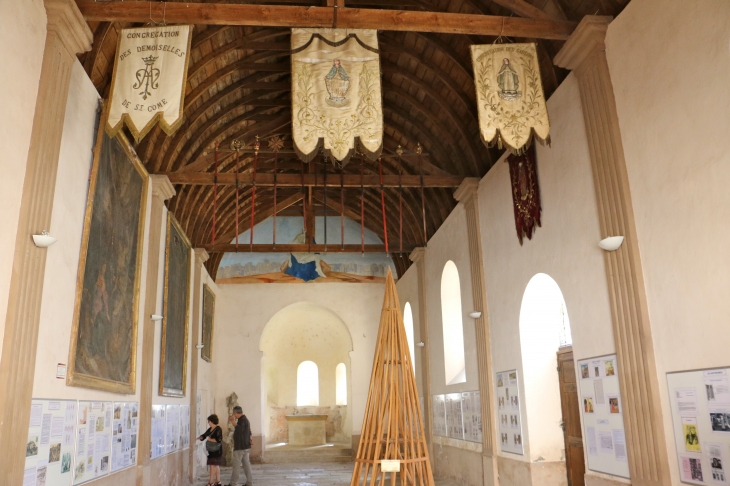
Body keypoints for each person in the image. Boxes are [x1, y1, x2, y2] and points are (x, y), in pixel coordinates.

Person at [226, 406, 253, 486]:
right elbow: (249, 432)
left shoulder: (242, 420)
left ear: (235, 412)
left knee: (236, 466)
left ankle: (233, 483)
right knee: (246, 465)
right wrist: (250, 439)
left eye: (234, 414)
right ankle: (249, 482)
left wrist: (232, 421)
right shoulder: (245, 420)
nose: (234, 415)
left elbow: (239, 430)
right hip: (245, 446)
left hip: (240, 447)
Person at [198, 414, 223, 486]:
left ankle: (211, 482)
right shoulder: (210, 428)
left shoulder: (218, 429)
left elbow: (219, 440)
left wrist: (210, 439)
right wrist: (199, 438)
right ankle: (218, 481)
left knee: (213, 466)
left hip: (216, 450)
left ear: (212, 421)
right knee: (216, 465)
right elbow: (205, 435)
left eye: (208, 421)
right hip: (211, 450)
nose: (208, 422)